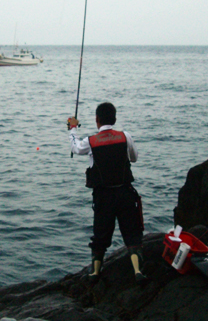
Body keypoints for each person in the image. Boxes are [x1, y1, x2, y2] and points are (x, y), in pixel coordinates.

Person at [67, 102, 148, 284]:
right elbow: (134, 158)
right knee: (132, 233)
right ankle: (137, 271)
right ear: (115, 118)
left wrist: (72, 129)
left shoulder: (91, 141)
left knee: (101, 235)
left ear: (97, 120)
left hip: (103, 197)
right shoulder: (125, 136)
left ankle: (95, 272)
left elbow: (75, 147)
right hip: (125, 193)